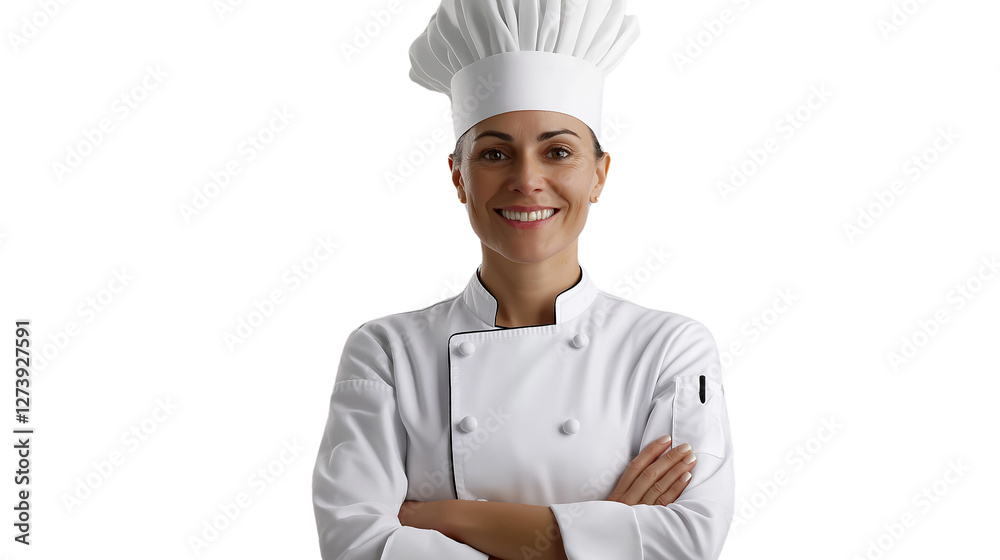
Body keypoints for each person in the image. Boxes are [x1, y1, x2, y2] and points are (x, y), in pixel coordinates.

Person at [312, 1, 735, 559]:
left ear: (599, 176)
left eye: (558, 151)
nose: (527, 180)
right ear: (459, 177)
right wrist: (603, 536)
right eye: (494, 154)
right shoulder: (387, 352)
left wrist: (443, 518)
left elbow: (687, 542)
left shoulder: (667, 349)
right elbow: (357, 547)